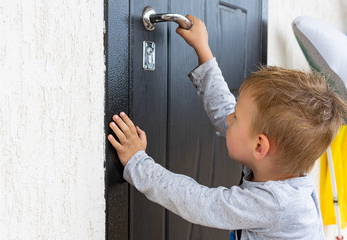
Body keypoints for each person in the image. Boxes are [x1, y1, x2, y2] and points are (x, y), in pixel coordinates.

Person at [107, 15, 347, 239]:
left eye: (237, 117)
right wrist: (203, 50)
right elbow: (224, 109)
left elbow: (198, 202)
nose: (229, 117)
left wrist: (137, 162)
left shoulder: (276, 203)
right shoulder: (276, 162)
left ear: (260, 145)